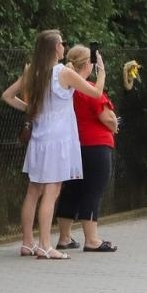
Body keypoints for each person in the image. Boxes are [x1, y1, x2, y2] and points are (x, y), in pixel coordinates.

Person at [2, 29, 105, 257]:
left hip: (39, 137)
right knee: (52, 191)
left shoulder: (32, 71)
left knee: (33, 191)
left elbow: (7, 96)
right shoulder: (62, 73)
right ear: (54, 48)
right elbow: (96, 92)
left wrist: (29, 109)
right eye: (62, 43)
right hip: (58, 139)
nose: (64, 47)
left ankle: (28, 242)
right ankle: (46, 245)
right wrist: (102, 71)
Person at [51, 44, 119, 252]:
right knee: (93, 190)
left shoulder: (65, 89)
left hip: (74, 145)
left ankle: (64, 237)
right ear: (88, 66)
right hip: (96, 145)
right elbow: (107, 118)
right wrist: (116, 125)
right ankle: (92, 239)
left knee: (72, 190)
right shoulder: (88, 89)